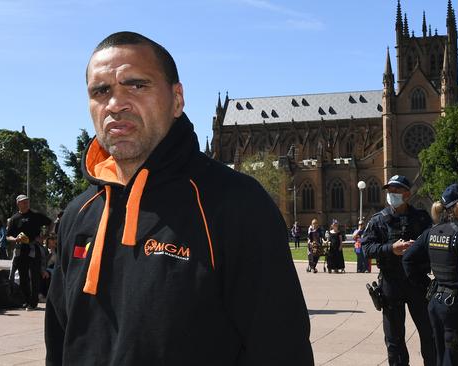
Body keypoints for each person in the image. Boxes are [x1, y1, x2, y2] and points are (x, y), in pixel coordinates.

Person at [45, 32, 314, 365]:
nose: (115, 104)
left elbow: (281, 349)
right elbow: (59, 342)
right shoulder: (78, 213)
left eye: (136, 85)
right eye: (101, 91)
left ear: (177, 99)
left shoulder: (236, 203)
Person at [403, 183, 458, 366]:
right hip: (455, 307)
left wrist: (427, 286)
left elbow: (408, 259)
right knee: (455, 359)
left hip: (436, 303)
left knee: (440, 356)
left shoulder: (431, 232)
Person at [362, 174, 435, 366]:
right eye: (389, 190)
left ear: (407, 194)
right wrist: (390, 249)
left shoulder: (421, 218)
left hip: (418, 283)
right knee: (394, 339)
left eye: (396, 190)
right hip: (391, 284)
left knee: (430, 334)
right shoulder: (378, 220)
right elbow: (366, 249)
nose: (391, 194)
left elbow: (433, 246)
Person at [5, 194, 51, 310]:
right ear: (18, 203)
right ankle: (26, 300)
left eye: (27, 201)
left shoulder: (35, 215)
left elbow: (51, 223)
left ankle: (33, 302)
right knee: (23, 276)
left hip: (34, 249)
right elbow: (8, 236)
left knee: (35, 276)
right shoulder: (14, 219)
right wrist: (15, 239)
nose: (25, 204)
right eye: (23, 202)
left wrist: (44, 237)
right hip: (21, 250)